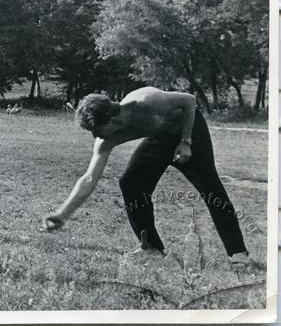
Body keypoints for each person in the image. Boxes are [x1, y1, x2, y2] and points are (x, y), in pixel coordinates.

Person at [42, 87, 250, 265]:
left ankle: (238, 253)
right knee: (131, 183)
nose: (95, 136)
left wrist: (185, 141)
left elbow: (189, 100)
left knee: (209, 187)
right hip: (159, 138)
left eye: (96, 129)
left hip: (189, 131)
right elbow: (89, 178)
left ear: (112, 117)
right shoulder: (106, 139)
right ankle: (151, 248)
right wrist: (62, 214)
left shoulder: (147, 101)